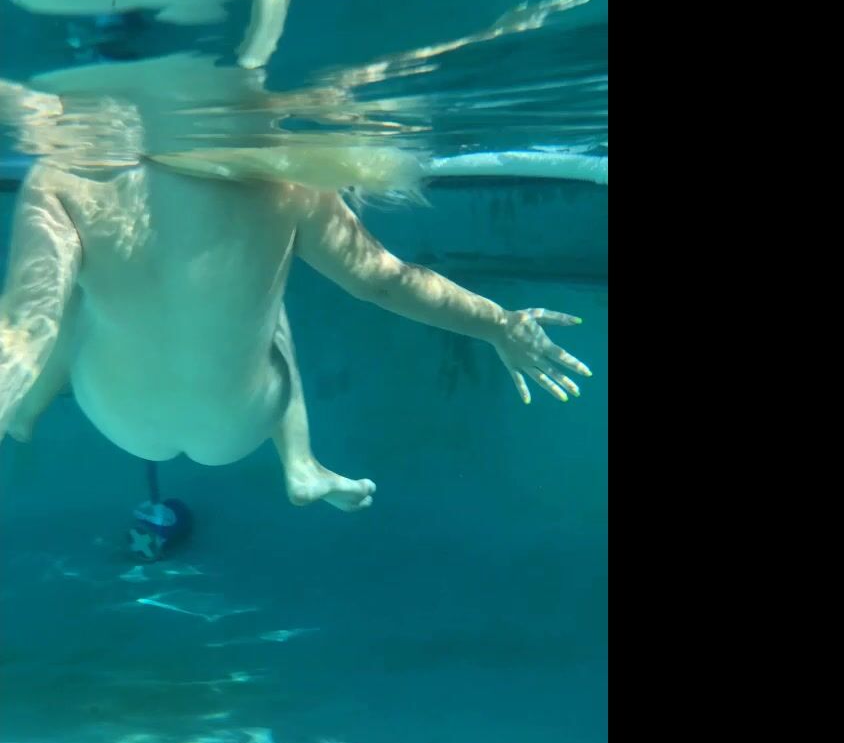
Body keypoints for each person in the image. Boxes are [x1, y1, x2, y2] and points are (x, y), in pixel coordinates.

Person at [0, 61, 591, 513]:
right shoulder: (290, 183)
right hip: (240, 423)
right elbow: (386, 282)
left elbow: (25, 328)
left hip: (119, 415)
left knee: (68, 296)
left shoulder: (68, 177)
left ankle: (26, 408)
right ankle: (300, 463)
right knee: (265, 298)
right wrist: (499, 325)